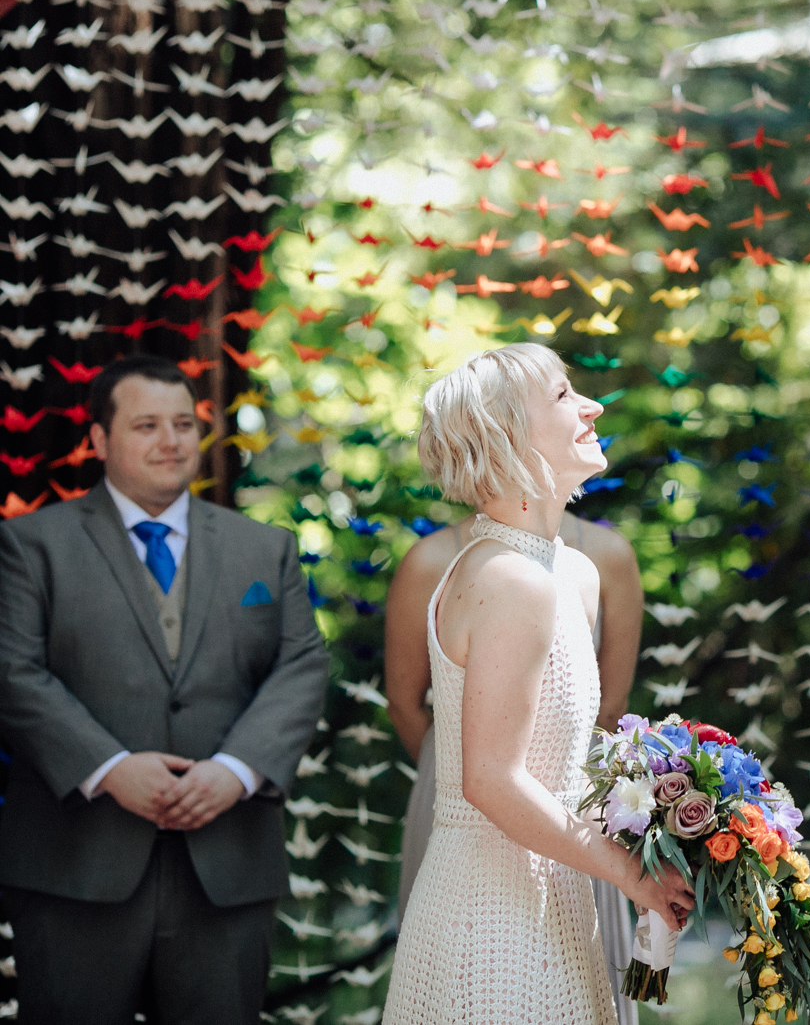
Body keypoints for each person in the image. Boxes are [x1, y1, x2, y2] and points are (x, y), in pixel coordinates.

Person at [0, 354, 329, 1024]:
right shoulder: (30, 544)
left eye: (183, 423)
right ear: (98, 439)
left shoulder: (264, 548)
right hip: (75, 864)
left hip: (228, 863)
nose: (171, 440)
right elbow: (13, 671)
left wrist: (236, 772)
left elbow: (301, 665)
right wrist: (111, 768)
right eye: (147, 424)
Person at [383, 344, 692, 1025]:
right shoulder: (508, 577)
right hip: (489, 914)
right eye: (561, 396)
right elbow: (490, 778)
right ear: (506, 433)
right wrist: (629, 872)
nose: (592, 406)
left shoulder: (573, 571)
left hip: (560, 901)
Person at [389, 513, 645, 1022]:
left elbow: (610, 714)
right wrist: (464, 780)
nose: (590, 426)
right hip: (459, 804)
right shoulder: (432, 561)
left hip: (576, 806)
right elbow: (404, 702)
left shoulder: (603, 561)